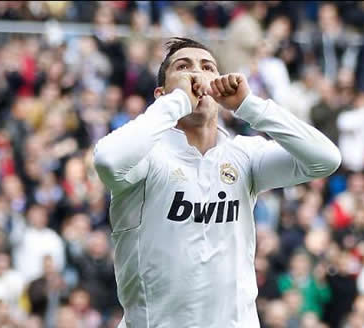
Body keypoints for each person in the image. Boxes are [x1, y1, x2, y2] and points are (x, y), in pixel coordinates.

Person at [93, 37, 341, 328]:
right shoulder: (146, 157)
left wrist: (250, 106)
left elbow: (326, 159)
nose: (197, 74)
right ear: (161, 93)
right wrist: (177, 102)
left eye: (208, 67)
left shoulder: (245, 155)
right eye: (183, 67)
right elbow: (108, 160)